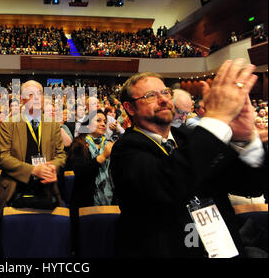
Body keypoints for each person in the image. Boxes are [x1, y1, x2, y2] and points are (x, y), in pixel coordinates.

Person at [110, 60, 267, 258]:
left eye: (165, 92)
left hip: (223, 247)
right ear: (130, 108)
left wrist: (244, 140)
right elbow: (168, 184)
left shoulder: (189, 137)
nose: (163, 100)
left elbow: (250, 187)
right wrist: (217, 118)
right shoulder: (125, 150)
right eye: (151, 96)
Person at [0, 80, 66, 214]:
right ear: (22, 99)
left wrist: (52, 168)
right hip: (15, 189)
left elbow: (61, 155)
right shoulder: (9, 124)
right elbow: (2, 157)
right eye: (30, 94)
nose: (35, 97)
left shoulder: (53, 124)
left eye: (39, 93)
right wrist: (33, 170)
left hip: (47, 189)